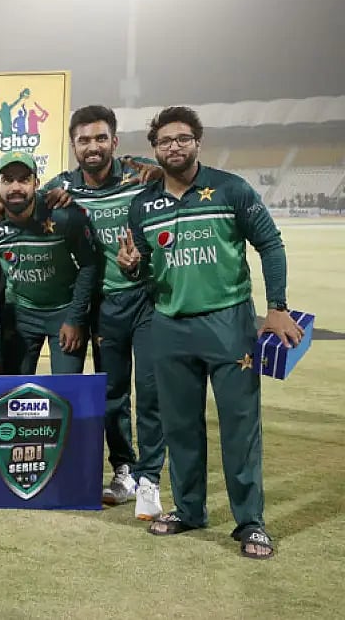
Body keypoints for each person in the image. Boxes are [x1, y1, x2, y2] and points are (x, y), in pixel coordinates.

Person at [122, 106, 303, 559]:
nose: (174, 147)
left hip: (228, 324)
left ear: (198, 143)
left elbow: (270, 243)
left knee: (240, 427)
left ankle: (251, 522)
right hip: (169, 325)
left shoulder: (230, 189)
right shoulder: (142, 205)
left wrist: (277, 307)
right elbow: (144, 269)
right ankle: (189, 510)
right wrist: (131, 268)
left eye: (183, 138)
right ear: (154, 149)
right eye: (165, 141)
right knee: (180, 426)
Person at [32, 106, 165, 516]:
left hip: (147, 298)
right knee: (112, 393)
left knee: (151, 391)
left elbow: (178, 178)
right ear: (73, 146)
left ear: (115, 142)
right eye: (84, 140)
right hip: (103, 304)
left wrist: (160, 172)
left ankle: (150, 477)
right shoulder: (62, 186)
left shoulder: (139, 174)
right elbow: (20, 200)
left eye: (100, 138)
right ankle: (124, 468)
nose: (93, 146)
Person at [0, 150, 99, 375]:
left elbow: (89, 265)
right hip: (19, 314)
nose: (16, 187)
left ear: (36, 183)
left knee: (66, 389)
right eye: (8, 180)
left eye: (24, 179)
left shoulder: (64, 216)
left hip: (64, 312)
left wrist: (75, 318)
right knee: (15, 388)